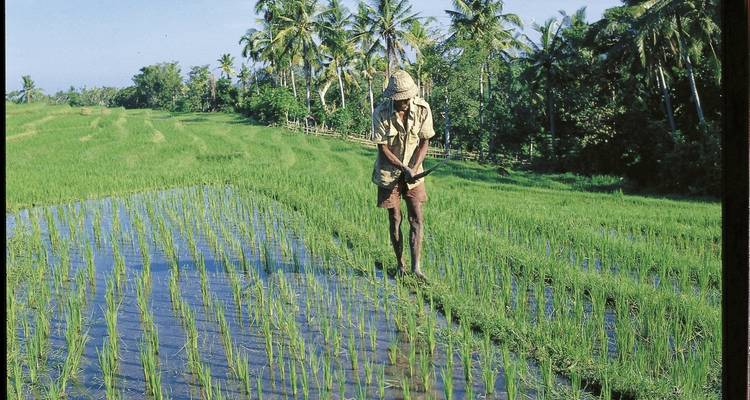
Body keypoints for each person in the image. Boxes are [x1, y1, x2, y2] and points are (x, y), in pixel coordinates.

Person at [371, 70, 435, 280]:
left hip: (414, 172)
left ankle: (416, 268)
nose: (405, 103)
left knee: (416, 218)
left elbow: (425, 141)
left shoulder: (423, 109)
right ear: (393, 98)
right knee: (395, 218)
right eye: (401, 100)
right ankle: (401, 264)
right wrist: (404, 168)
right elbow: (383, 149)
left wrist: (414, 168)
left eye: (408, 98)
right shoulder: (381, 112)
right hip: (389, 172)